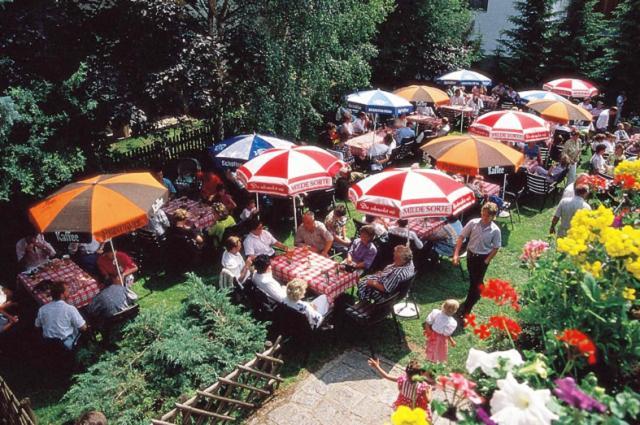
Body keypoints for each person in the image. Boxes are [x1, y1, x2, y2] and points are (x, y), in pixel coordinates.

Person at [453, 202, 501, 317]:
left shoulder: (495, 230)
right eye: (483, 214)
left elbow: (496, 247)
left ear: (493, 217)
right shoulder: (473, 223)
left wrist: (487, 261)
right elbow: (461, 237)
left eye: (487, 216)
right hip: (470, 256)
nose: (484, 217)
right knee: (474, 279)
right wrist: (456, 254)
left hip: (482, 259)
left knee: (473, 285)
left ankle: (466, 310)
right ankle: (481, 288)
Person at [367, 358, 433, 418]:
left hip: (403, 404)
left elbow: (387, 376)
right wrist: (429, 390)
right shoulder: (422, 387)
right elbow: (428, 400)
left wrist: (377, 366)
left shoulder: (402, 380)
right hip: (415, 406)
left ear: (407, 372)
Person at [35, 281, 87, 350]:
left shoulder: (42, 309)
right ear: (62, 295)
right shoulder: (70, 309)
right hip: (65, 345)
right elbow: (83, 328)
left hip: (48, 344)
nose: (69, 292)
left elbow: (37, 325)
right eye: (67, 291)